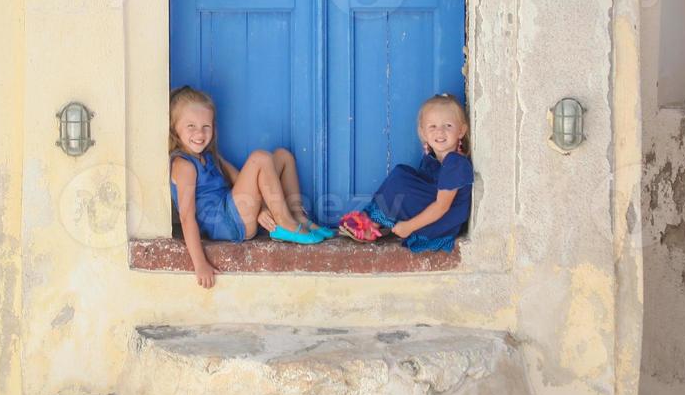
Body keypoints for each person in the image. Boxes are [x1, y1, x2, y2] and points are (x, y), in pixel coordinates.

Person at [169, 86, 332, 288]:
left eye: (206, 126)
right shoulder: (183, 166)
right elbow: (186, 218)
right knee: (260, 158)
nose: (200, 134)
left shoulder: (209, 156)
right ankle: (285, 224)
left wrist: (261, 209)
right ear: (174, 127)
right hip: (224, 224)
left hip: (235, 209)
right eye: (191, 126)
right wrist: (200, 264)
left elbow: (239, 179)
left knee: (282, 156)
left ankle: (298, 218)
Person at [339, 94, 474, 253]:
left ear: (461, 131)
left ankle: (372, 224)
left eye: (448, 125)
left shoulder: (455, 163)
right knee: (402, 173)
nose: (440, 132)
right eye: (433, 126)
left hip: (442, 223)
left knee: (400, 182)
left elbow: (441, 207)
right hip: (434, 213)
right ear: (423, 132)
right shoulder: (433, 160)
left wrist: (409, 227)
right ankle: (376, 222)